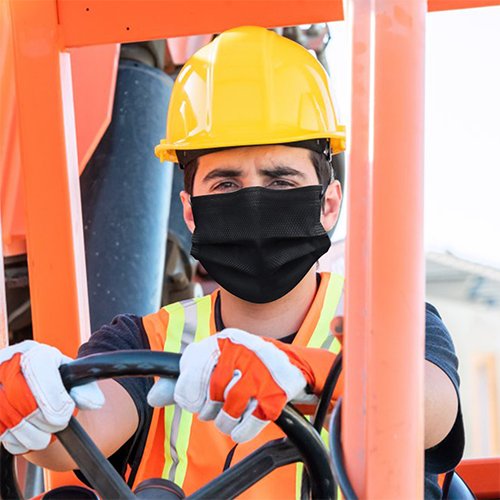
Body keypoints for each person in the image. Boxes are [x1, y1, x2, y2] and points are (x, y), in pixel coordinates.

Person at [0, 26, 463, 499]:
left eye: (280, 181)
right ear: (189, 211)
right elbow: (79, 427)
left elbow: (430, 409)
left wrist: (308, 372)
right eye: (226, 184)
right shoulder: (145, 341)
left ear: (328, 204)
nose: (255, 200)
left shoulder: (391, 327)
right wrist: (36, 396)